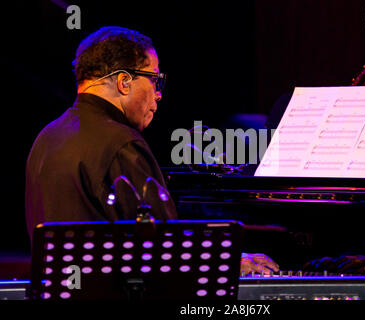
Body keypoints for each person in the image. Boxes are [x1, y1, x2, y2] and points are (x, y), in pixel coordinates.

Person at [25, 26, 278, 275]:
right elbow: (164, 249)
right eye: (154, 79)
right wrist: (228, 259)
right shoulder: (122, 143)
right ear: (124, 82)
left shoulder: (47, 138)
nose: (158, 95)